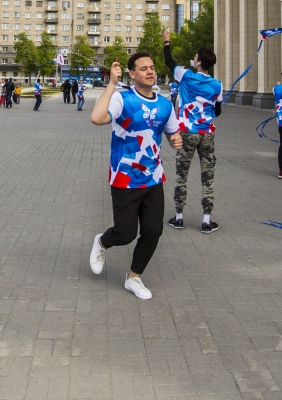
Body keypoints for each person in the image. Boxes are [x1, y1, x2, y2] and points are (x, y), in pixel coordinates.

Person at [88, 54, 181, 300]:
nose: (150, 72)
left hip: (153, 179)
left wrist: (176, 140)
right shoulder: (122, 99)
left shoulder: (165, 105)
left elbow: (172, 134)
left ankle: (134, 277)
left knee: (153, 230)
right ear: (132, 74)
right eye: (143, 69)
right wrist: (111, 83)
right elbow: (97, 118)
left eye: (152, 67)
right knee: (125, 233)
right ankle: (102, 242)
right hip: (125, 178)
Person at [162, 30, 224, 233]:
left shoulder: (186, 76)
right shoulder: (217, 84)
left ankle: (179, 217)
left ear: (198, 62)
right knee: (208, 175)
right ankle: (207, 220)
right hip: (207, 133)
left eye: (195, 57)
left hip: (187, 132)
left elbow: (169, 61)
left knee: (182, 174)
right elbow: (218, 110)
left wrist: (167, 42)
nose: (193, 59)